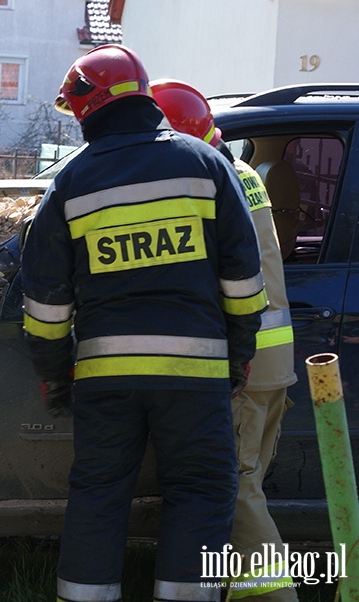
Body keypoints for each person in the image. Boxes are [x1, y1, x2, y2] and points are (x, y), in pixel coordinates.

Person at [19, 44, 266, 602]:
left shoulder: (70, 183)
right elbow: (244, 281)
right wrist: (239, 354)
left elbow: (47, 302)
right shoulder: (206, 166)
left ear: (88, 109)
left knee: (99, 494)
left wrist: (56, 375)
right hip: (197, 373)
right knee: (202, 493)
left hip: (105, 378)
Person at [152, 78, 298, 602]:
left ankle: (274, 597)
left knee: (236, 494)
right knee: (245, 484)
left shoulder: (210, 181)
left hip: (250, 360)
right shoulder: (237, 171)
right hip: (273, 357)